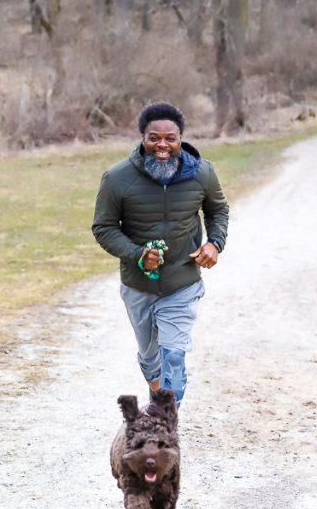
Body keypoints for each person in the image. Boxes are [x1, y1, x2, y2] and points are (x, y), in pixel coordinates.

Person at [92, 100, 229, 406]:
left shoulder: (203, 173)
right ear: (143, 138)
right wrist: (138, 254)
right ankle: (157, 394)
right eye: (154, 138)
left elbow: (218, 211)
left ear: (181, 139)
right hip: (137, 286)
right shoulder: (117, 178)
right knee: (150, 356)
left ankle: (165, 421)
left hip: (182, 282)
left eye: (171, 138)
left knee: (174, 355)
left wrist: (214, 243)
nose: (162, 145)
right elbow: (103, 227)